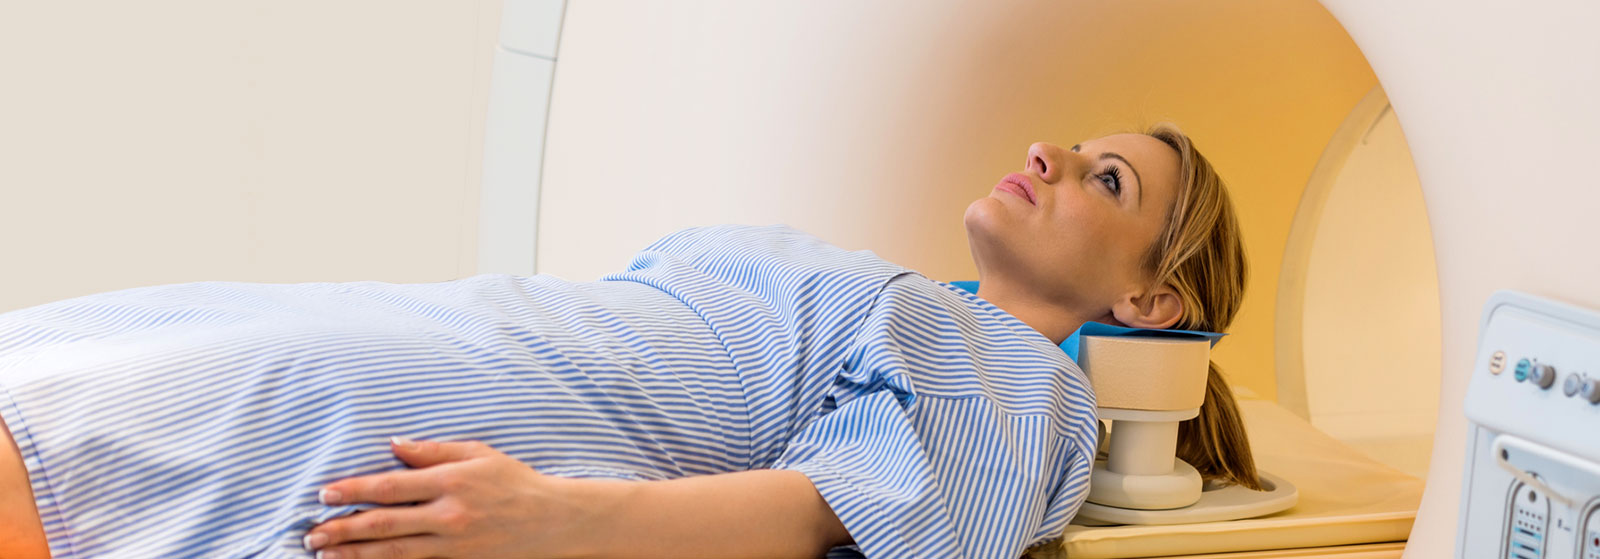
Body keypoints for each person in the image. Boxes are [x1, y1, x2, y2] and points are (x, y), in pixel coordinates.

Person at [0, 123, 1257, 559]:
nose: (1048, 152)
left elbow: (841, 510)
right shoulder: (892, 291)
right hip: (372, 335)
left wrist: (558, 517)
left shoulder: (1020, 375)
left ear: (1149, 301)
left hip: (336, 403)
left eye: (1106, 180)